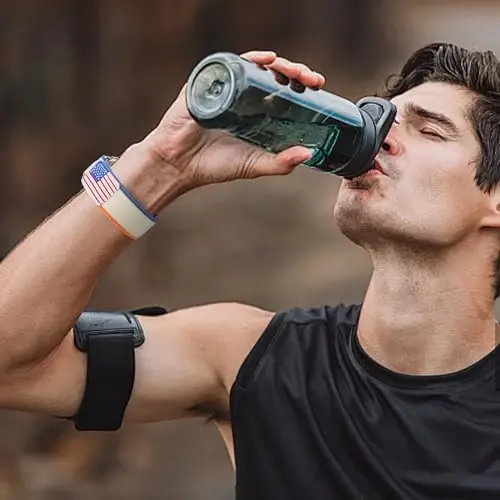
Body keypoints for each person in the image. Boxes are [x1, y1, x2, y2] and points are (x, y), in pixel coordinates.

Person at [1, 41, 500, 499]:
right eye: (382, 119)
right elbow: (11, 364)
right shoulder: (252, 357)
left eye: (429, 130)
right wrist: (157, 167)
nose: (380, 138)